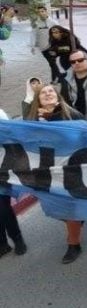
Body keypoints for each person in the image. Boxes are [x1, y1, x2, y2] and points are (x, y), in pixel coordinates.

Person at [24, 84, 85, 263]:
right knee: (56, 208)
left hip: (71, 168)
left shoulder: (71, 114)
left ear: (57, 95)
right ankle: (77, 219)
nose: (48, 93)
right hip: (46, 171)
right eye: (43, 93)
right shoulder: (31, 120)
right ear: (38, 100)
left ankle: (73, 244)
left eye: (51, 90)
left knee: (68, 207)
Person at [0, 107, 26, 259]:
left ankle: (17, 239)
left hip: (2, 166)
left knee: (2, 207)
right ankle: (2, 244)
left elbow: (8, 134)